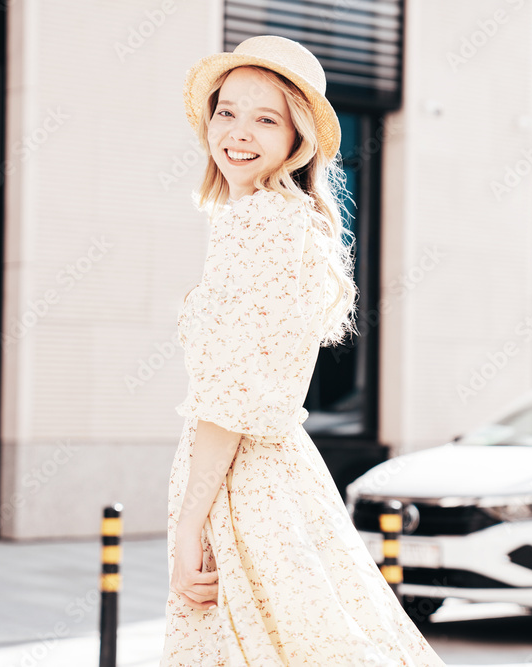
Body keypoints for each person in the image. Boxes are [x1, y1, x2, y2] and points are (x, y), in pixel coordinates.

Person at [165, 35, 446, 665]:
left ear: (297, 138)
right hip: (270, 477)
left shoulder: (262, 225)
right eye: (227, 110)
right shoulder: (274, 221)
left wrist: (189, 522)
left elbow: (232, 395)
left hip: (243, 486)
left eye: (266, 119)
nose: (238, 132)